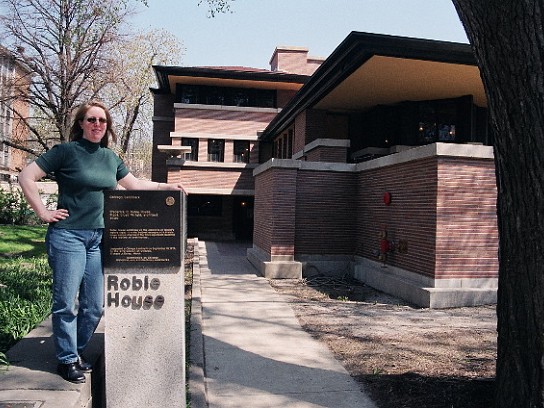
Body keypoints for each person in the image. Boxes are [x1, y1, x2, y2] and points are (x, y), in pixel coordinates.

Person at [18, 100, 184, 384]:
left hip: (96, 238)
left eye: (102, 121)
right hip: (68, 235)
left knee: (95, 305)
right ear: (81, 123)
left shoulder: (109, 157)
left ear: (107, 127)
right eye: (91, 120)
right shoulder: (66, 152)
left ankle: (76, 350)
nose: (97, 125)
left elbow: (135, 185)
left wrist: (166, 186)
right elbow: (26, 176)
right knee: (66, 302)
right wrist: (42, 212)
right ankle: (67, 359)